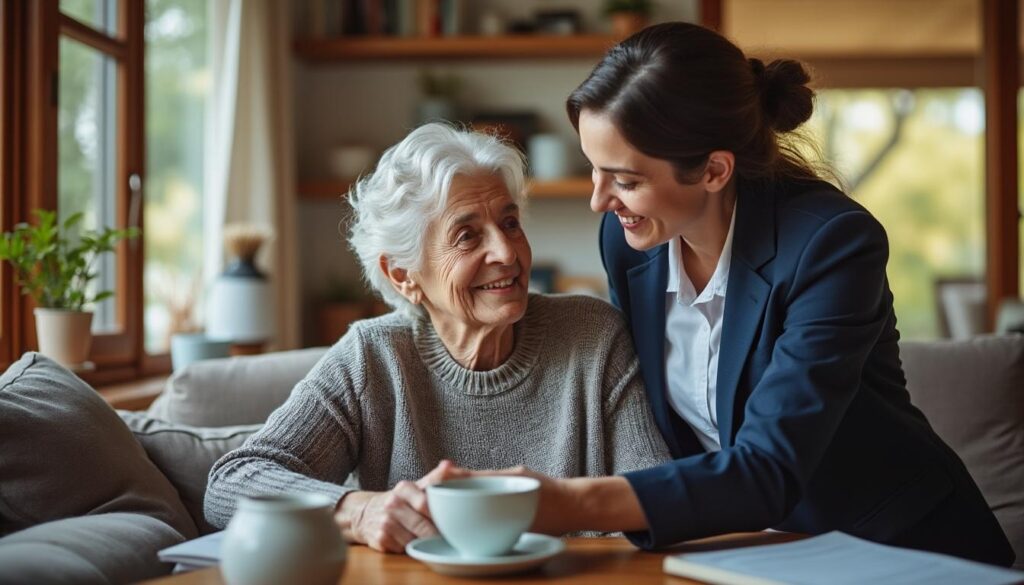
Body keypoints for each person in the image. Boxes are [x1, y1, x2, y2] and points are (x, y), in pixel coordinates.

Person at [456, 22, 1015, 566]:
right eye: (595, 171)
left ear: (714, 170)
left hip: (897, 547)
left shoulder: (832, 244)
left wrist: (562, 501)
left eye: (625, 180)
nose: (600, 201)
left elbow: (770, 466)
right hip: (759, 549)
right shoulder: (629, 242)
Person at [204, 123, 671, 553]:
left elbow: (658, 497)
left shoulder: (592, 335)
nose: (506, 252)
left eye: (510, 223)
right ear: (402, 273)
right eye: (468, 236)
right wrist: (359, 510)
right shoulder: (374, 358)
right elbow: (231, 482)